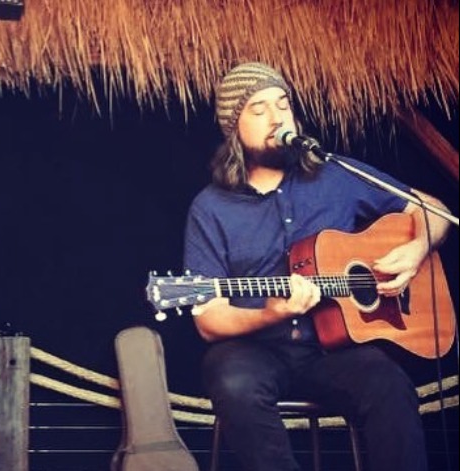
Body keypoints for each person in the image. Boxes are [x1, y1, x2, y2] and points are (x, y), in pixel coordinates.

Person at [182, 62, 451, 471]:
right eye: (259, 109)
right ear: (234, 128)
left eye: (283, 104)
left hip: (333, 350)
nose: (277, 118)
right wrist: (270, 314)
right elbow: (208, 320)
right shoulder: (210, 208)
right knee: (232, 381)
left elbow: (432, 209)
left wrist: (417, 249)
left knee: (389, 385)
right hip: (255, 351)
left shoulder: (336, 175)